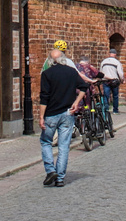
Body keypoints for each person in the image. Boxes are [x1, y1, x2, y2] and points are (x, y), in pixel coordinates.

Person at [39, 41, 88, 187]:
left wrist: (41, 116)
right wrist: (76, 102)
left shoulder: (47, 74)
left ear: (50, 61)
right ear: (63, 59)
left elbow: (44, 96)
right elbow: (84, 86)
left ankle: (50, 170)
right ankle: (60, 178)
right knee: (64, 146)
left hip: (51, 114)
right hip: (67, 113)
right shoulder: (71, 72)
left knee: (46, 141)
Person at [100, 47, 125, 114]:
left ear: (109, 54)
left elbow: (101, 72)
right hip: (114, 80)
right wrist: (122, 79)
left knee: (106, 95)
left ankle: (106, 109)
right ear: (115, 54)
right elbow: (120, 73)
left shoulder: (104, 62)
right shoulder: (117, 62)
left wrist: (101, 79)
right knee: (115, 96)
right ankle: (115, 110)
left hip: (105, 80)